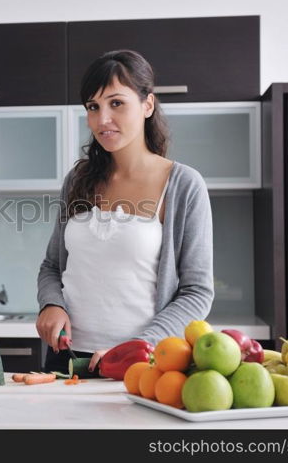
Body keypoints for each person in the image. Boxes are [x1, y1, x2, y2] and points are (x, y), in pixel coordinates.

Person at [36, 50, 214, 374]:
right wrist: (51, 304)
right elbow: (52, 265)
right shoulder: (78, 180)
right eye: (93, 107)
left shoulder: (184, 184)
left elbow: (197, 292)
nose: (102, 119)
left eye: (116, 103)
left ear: (147, 105)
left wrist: (138, 347)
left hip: (143, 364)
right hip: (66, 361)